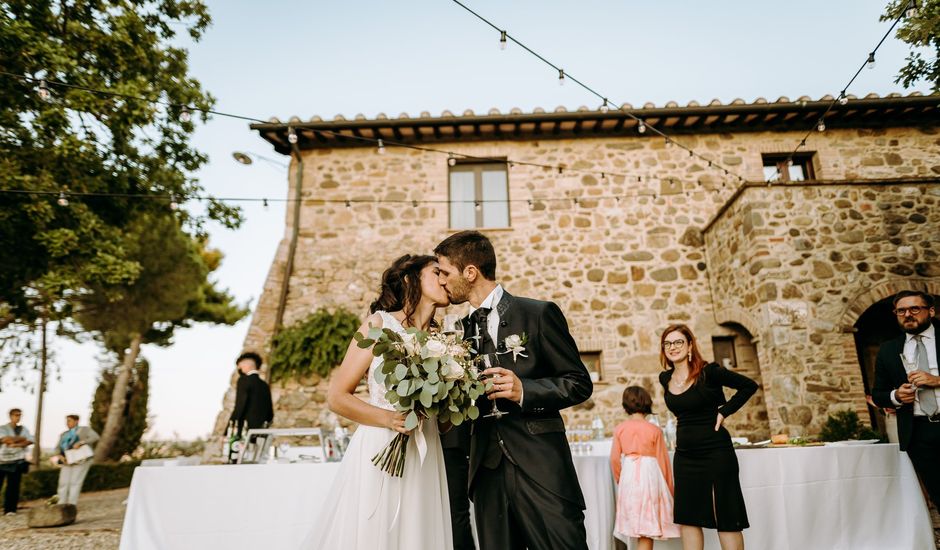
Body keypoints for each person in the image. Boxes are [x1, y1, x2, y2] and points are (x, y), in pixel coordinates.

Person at [435, 230, 593, 550]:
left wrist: (525, 390)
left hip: (541, 465)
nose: (441, 281)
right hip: (486, 473)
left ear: (470, 272)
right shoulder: (457, 335)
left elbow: (579, 383)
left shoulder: (537, 313)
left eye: (444, 272)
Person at [302, 254, 454, 550]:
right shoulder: (378, 325)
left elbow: (445, 422)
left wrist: (452, 400)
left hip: (426, 449)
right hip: (381, 444)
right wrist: (388, 419)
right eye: (437, 272)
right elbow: (337, 397)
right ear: (412, 280)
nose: (445, 279)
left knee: (419, 531)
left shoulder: (445, 342)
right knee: (378, 531)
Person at [658, 324, 757, 550]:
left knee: (726, 515)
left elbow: (748, 386)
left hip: (716, 452)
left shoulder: (708, 372)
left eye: (678, 342)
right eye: (667, 343)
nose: (673, 347)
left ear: (690, 345)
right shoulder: (665, 378)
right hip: (685, 456)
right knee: (689, 517)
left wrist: (724, 411)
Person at [871, 290, 940, 508]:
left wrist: (937, 380)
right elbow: (878, 394)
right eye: (901, 311)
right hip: (919, 433)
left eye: (914, 309)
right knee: (939, 494)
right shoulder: (889, 349)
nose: (907, 314)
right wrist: (897, 396)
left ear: (930, 311)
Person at [610, 386, 680, 549]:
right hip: (650, 476)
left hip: (629, 474)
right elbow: (663, 462)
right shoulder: (654, 430)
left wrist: (621, 478)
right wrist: (669, 489)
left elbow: (614, 459)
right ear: (647, 403)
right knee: (647, 526)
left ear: (625, 405)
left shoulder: (620, 429)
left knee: (635, 523)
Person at [52, 415, 99, 506]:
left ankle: (71, 505)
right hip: (67, 461)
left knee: (75, 482)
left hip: (81, 460)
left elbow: (95, 437)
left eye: (69, 421)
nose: (67, 423)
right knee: (63, 482)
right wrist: (60, 456)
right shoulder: (64, 434)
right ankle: (61, 504)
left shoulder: (85, 430)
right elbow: (57, 448)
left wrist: (81, 442)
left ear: (76, 421)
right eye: (66, 421)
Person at [230, 351, 274, 436]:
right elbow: (270, 414)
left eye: (240, 365)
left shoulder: (243, 380)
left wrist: (227, 431)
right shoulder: (264, 385)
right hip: (261, 433)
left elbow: (240, 407)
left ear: (248, 364)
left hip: (244, 432)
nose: (239, 368)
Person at [0, 409, 33, 516]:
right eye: (15, 415)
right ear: (10, 416)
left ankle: (10, 509)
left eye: (19, 415)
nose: (18, 417)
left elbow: (30, 440)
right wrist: (21, 439)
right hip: (2, 461)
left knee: (13, 487)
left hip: (17, 461)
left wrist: (16, 443)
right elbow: (5, 440)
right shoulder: (3, 428)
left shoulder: (23, 429)